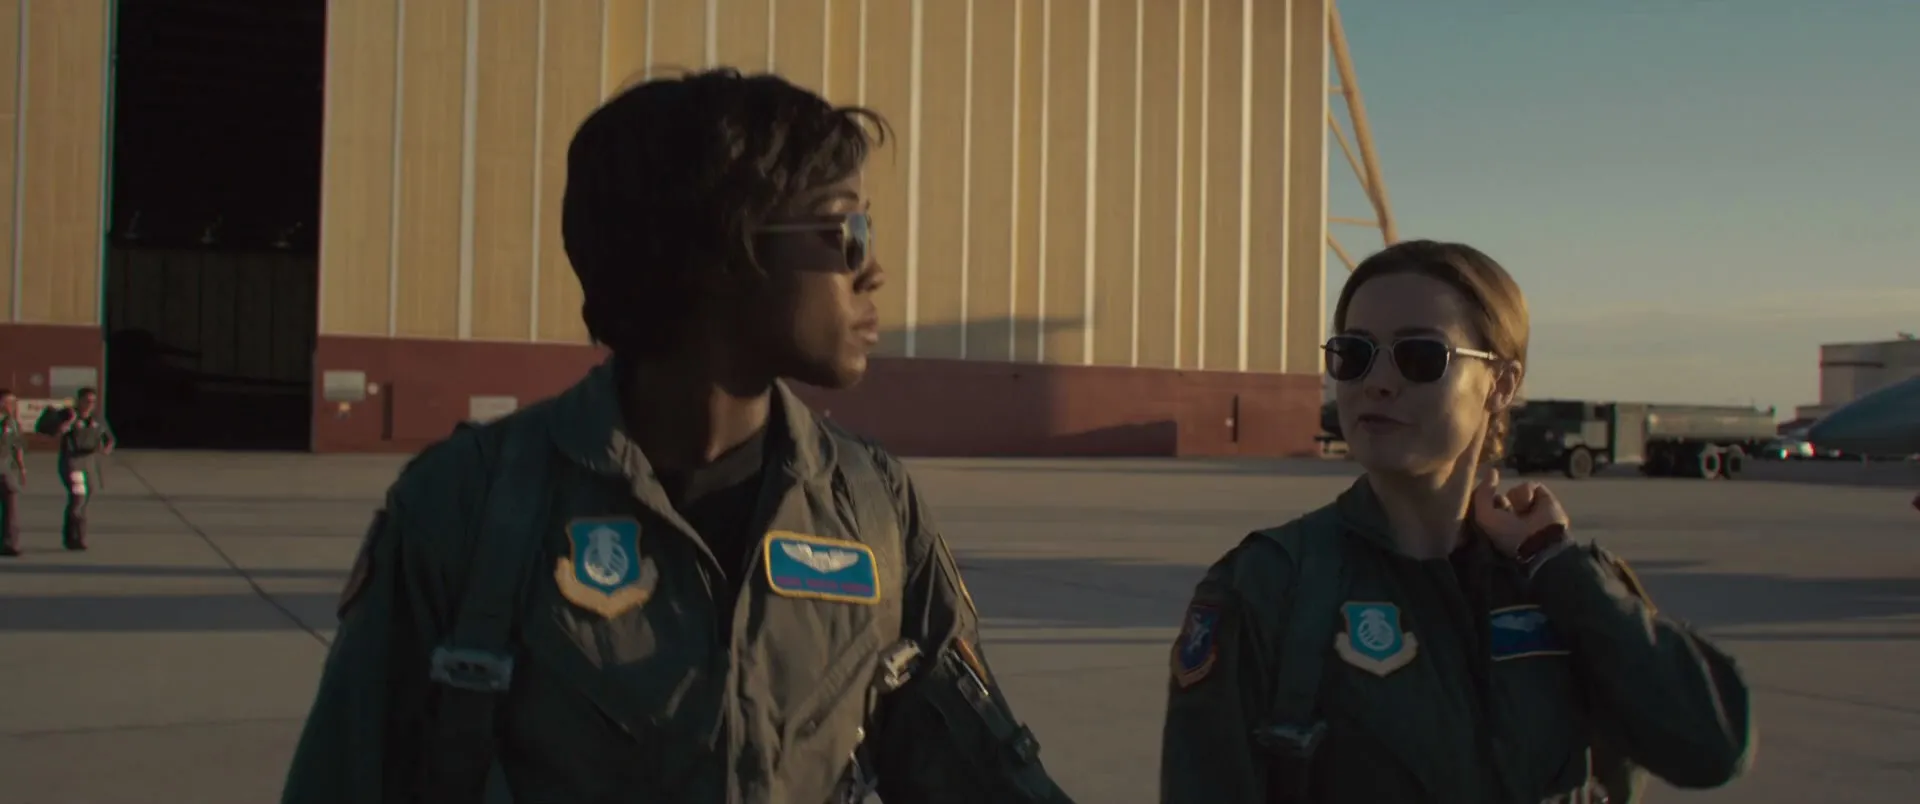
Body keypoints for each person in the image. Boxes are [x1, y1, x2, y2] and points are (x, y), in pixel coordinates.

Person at [282, 69, 1076, 804]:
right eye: (846, 231)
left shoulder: (872, 509)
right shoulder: (468, 508)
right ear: (724, 255)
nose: (872, 271)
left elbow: (985, 776)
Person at [1158, 241, 1754, 803]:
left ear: (1501, 384)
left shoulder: (1558, 583)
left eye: (1420, 356)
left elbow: (1712, 748)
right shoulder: (1267, 587)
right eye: (1354, 354)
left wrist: (1557, 565)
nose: (1377, 382)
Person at [56, 387, 113, 551]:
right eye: (86, 401)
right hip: (72, 461)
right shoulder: (69, 416)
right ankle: (78, 537)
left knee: (85, 497)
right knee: (78, 497)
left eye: (93, 402)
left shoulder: (97, 419)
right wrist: (69, 421)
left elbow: (109, 438)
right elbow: (58, 432)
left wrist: (106, 448)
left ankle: (70, 534)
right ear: (79, 401)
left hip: (88, 462)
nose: (90, 405)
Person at [0, 389, 24, 556]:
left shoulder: (12, 423)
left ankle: (10, 543)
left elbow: (17, 446)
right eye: (8, 402)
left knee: (11, 497)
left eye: (14, 403)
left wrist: (22, 468)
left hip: (4, 468)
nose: (12, 406)